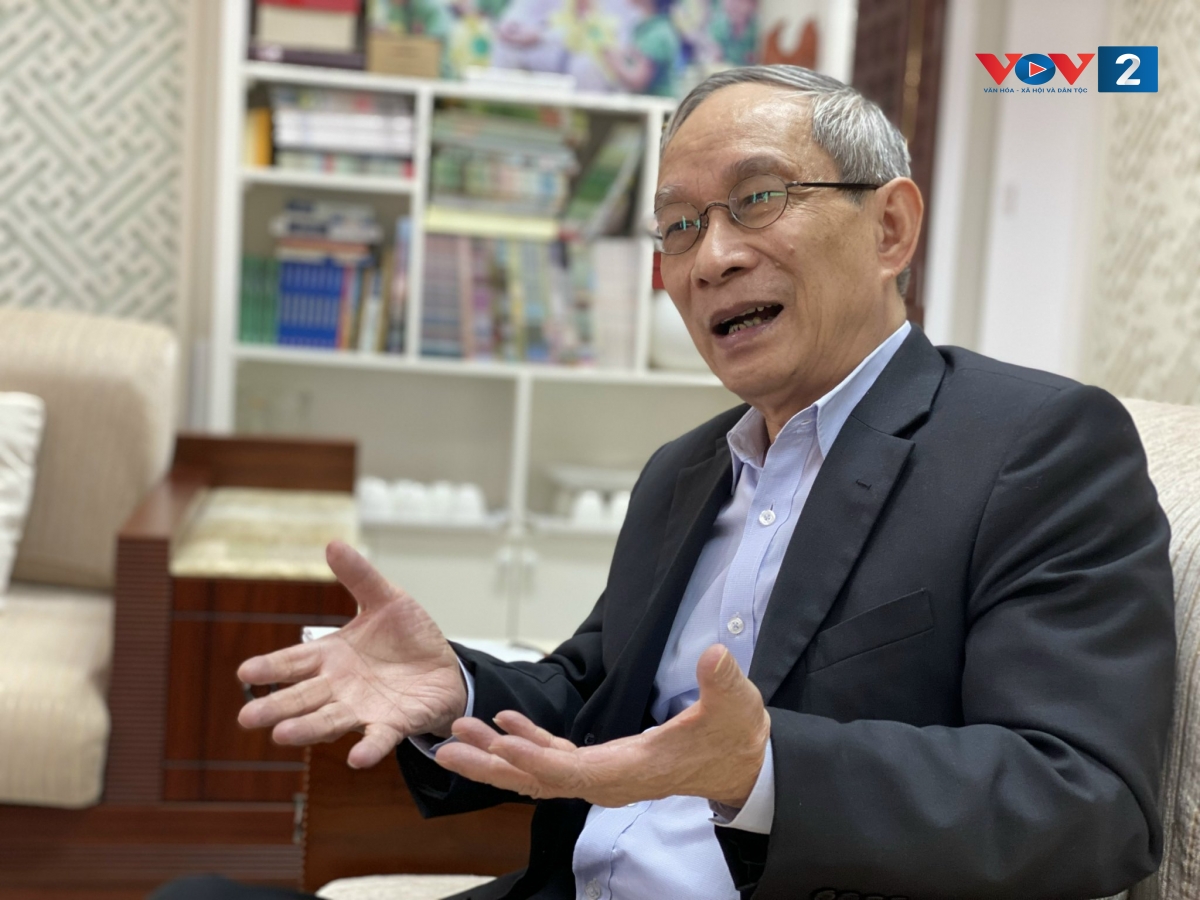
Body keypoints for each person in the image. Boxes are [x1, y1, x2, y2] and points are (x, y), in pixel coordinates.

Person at [159, 65, 1176, 900]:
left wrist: (761, 769)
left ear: (890, 229)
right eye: (679, 226)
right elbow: (591, 699)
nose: (711, 259)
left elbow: (1087, 804)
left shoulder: (1034, 445)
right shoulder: (684, 471)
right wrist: (456, 688)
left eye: (758, 199)